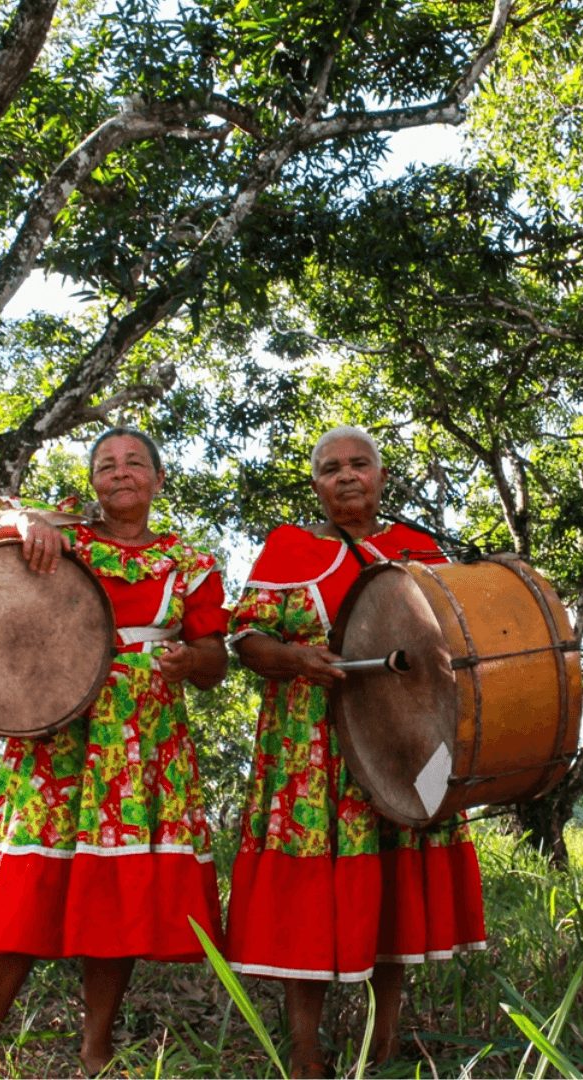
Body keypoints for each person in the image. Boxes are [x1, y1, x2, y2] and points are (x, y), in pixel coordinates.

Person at [0, 428, 228, 1079]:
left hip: (138, 746)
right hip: (55, 735)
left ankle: (95, 1048)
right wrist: (23, 517)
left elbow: (217, 662)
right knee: (23, 886)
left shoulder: (191, 564)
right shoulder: (62, 537)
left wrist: (192, 660)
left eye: (135, 463)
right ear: (93, 481)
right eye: (107, 464)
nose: (120, 472)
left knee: (114, 897)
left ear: (159, 480)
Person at [224, 425, 487, 1078]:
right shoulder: (288, 549)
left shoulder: (419, 551)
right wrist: (292, 658)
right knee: (304, 904)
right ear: (315, 485)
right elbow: (244, 640)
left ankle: (387, 1044)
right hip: (312, 754)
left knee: (394, 893)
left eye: (358, 464)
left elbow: (460, 647)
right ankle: (307, 1054)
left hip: (404, 745)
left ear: (381, 476)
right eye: (330, 467)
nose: (345, 476)